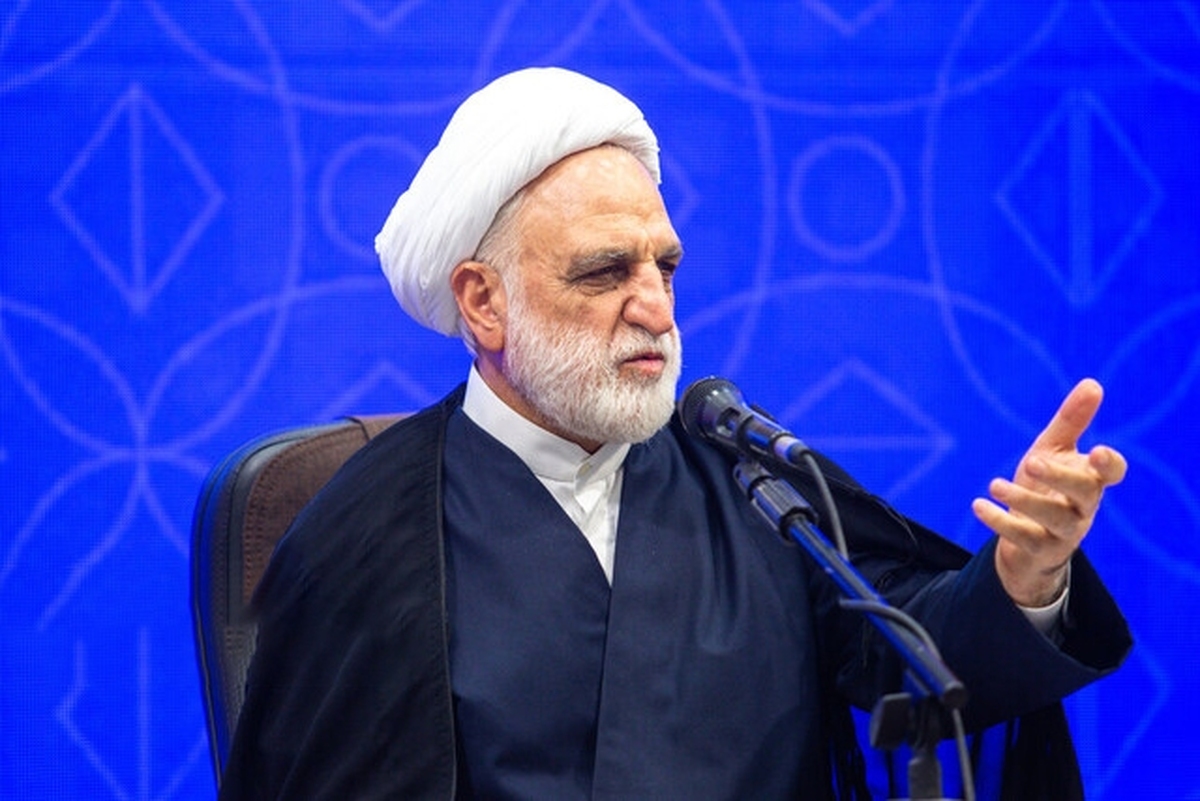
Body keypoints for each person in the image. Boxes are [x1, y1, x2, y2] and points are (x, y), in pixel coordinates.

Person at [219, 67, 1131, 800]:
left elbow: (911, 660)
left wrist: (1024, 578)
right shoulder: (366, 537)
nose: (654, 307)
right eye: (604, 271)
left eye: (665, 267)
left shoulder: (755, 490)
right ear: (484, 302)